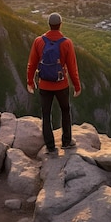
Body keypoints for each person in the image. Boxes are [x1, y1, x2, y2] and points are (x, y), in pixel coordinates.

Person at [27, 12, 81, 154]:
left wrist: (30, 82)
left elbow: (32, 64)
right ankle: (66, 141)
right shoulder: (66, 43)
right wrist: (77, 86)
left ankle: (50, 147)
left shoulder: (39, 41)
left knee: (46, 114)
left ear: (49, 25)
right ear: (60, 24)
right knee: (65, 111)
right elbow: (72, 67)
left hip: (44, 84)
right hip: (61, 85)